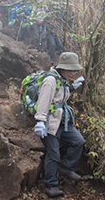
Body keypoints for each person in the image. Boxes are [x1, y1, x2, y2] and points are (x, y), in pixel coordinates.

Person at [33, 52, 86, 197]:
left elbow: (61, 96)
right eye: (71, 70)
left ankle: (67, 168)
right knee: (54, 154)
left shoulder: (62, 80)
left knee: (78, 141)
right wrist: (40, 122)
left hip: (62, 122)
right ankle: (50, 185)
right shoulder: (51, 80)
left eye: (74, 70)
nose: (73, 73)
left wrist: (72, 88)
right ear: (62, 68)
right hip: (49, 123)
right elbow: (43, 101)